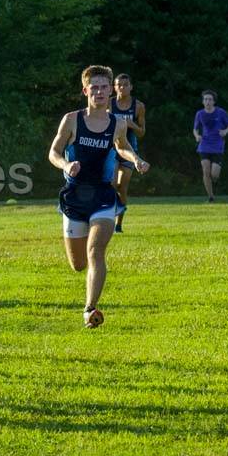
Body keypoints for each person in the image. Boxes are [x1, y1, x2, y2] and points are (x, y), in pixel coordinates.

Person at [48, 65, 149, 328]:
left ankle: (89, 309)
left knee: (96, 250)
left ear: (110, 91)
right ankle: (88, 298)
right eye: (95, 87)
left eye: (105, 87)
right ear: (85, 90)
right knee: (78, 264)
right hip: (74, 197)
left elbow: (123, 147)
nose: (101, 91)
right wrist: (66, 165)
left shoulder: (117, 122)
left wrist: (136, 159)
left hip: (104, 195)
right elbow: (54, 153)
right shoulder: (72, 120)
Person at [110, 74, 145, 232]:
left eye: (125, 85)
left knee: (121, 187)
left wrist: (132, 125)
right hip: (111, 148)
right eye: (119, 85)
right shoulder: (108, 104)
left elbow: (142, 132)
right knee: (110, 184)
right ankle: (107, 219)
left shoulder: (138, 106)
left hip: (129, 150)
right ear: (114, 87)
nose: (122, 88)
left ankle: (119, 224)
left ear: (131, 87)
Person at [193, 90, 228, 202]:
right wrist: (197, 136)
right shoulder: (199, 114)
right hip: (204, 145)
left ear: (214, 101)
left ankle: (214, 181)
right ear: (203, 102)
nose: (208, 101)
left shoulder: (221, 112)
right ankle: (211, 197)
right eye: (205, 99)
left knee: (214, 175)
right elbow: (195, 129)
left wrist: (225, 131)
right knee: (206, 171)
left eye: (210, 99)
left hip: (217, 145)